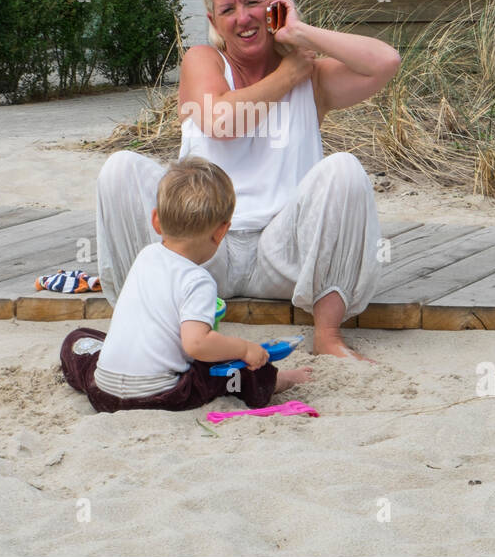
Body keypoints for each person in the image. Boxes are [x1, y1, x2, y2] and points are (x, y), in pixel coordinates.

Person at [95, 0, 401, 359]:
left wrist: (301, 33)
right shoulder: (204, 61)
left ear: (275, 5)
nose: (242, 17)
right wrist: (289, 74)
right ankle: (145, 323)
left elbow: (385, 62)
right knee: (120, 169)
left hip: (283, 255)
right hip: (200, 251)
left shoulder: (313, 77)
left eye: (253, 3)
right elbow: (221, 121)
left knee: (343, 170)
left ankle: (328, 337)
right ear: (214, 23)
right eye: (228, 9)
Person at [61, 157, 310, 413]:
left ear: (156, 220)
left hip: (102, 392)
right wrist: (244, 348)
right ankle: (275, 381)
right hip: (162, 394)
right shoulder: (198, 280)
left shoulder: (145, 256)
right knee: (235, 368)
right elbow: (196, 345)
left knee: (77, 338)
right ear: (221, 232)